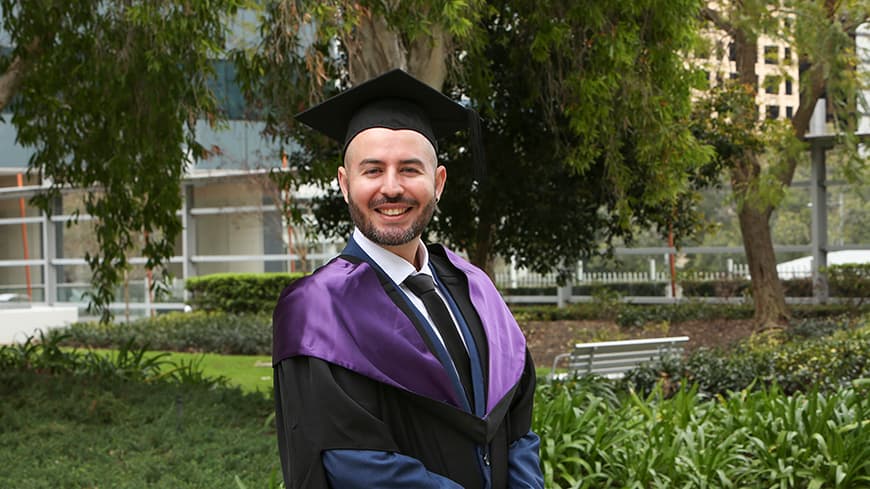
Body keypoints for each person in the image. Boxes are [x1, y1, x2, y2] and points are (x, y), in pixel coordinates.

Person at [272, 69, 543, 489]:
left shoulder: (475, 288)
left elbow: (518, 427)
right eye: (373, 170)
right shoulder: (318, 311)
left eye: (410, 170)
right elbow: (353, 463)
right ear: (345, 185)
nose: (392, 187)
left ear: (438, 183)